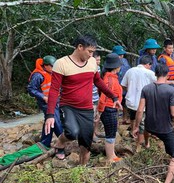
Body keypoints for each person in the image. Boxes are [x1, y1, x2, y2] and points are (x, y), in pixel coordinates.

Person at [45, 34, 122, 165]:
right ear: (80, 47)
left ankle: (82, 168)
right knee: (72, 132)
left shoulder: (91, 62)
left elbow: (98, 81)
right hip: (68, 106)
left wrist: (113, 96)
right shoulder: (61, 63)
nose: (91, 55)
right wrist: (50, 114)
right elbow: (54, 90)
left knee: (86, 143)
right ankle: (61, 141)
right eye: (89, 51)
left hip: (86, 108)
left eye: (93, 52)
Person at [133, 64, 174, 183]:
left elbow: (140, 110)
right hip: (165, 129)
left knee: (146, 128)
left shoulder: (146, 88)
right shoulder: (171, 91)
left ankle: (146, 142)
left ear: (155, 74)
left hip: (150, 126)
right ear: (167, 74)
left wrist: (136, 127)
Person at [27, 55, 64, 152]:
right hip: (46, 103)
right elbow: (31, 89)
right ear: (46, 66)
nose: (54, 69)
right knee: (55, 121)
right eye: (52, 66)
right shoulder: (38, 75)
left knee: (50, 121)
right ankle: (63, 143)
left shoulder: (51, 73)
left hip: (55, 101)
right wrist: (43, 97)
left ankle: (45, 142)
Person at [121, 55, 156, 151]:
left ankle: (133, 134)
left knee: (132, 117)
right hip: (142, 103)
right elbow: (158, 84)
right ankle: (139, 145)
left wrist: (130, 90)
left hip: (130, 102)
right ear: (148, 64)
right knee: (141, 125)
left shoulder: (130, 71)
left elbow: (123, 85)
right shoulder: (150, 73)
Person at [97, 53, 123, 163]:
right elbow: (103, 97)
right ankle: (110, 157)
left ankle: (112, 154)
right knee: (110, 133)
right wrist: (100, 111)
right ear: (116, 67)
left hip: (111, 109)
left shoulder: (110, 77)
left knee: (112, 132)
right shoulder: (109, 79)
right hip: (108, 109)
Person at [111, 45, 131, 125]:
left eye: (122, 54)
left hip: (124, 86)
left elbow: (128, 71)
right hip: (115, 86)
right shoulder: (111, 62)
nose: (121, 56)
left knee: (124, 103)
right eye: (119, 55)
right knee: (115, 103)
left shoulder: (125, 61)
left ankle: (124, 118)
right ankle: (115, 121)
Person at [92, 51, 102, 142]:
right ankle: (92, 135)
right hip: (90, 97)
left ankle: (96, 132)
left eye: (99, 60)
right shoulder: (89, 68)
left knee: (97, 116)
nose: (99, 61)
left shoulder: (98, 68)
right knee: (91, 116)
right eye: (97, 60)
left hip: (96, 95)